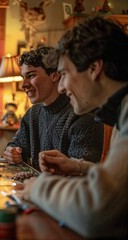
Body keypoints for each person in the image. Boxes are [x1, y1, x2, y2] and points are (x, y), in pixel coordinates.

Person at [22, 16, 128, 238]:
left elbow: (98, 211)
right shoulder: (120, 114)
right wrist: (77, 167)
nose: (61, 87)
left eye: (65, 74)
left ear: (94, 68)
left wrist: (37, 188)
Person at [3, 46, 104, 170]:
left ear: (54, 75)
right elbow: (17, 145)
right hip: (40, 186)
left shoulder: (82, 113)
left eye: (31, 76)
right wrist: (11, 151)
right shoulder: (33, 113)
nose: (23, 85)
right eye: (23, 77)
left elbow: (82, 174)